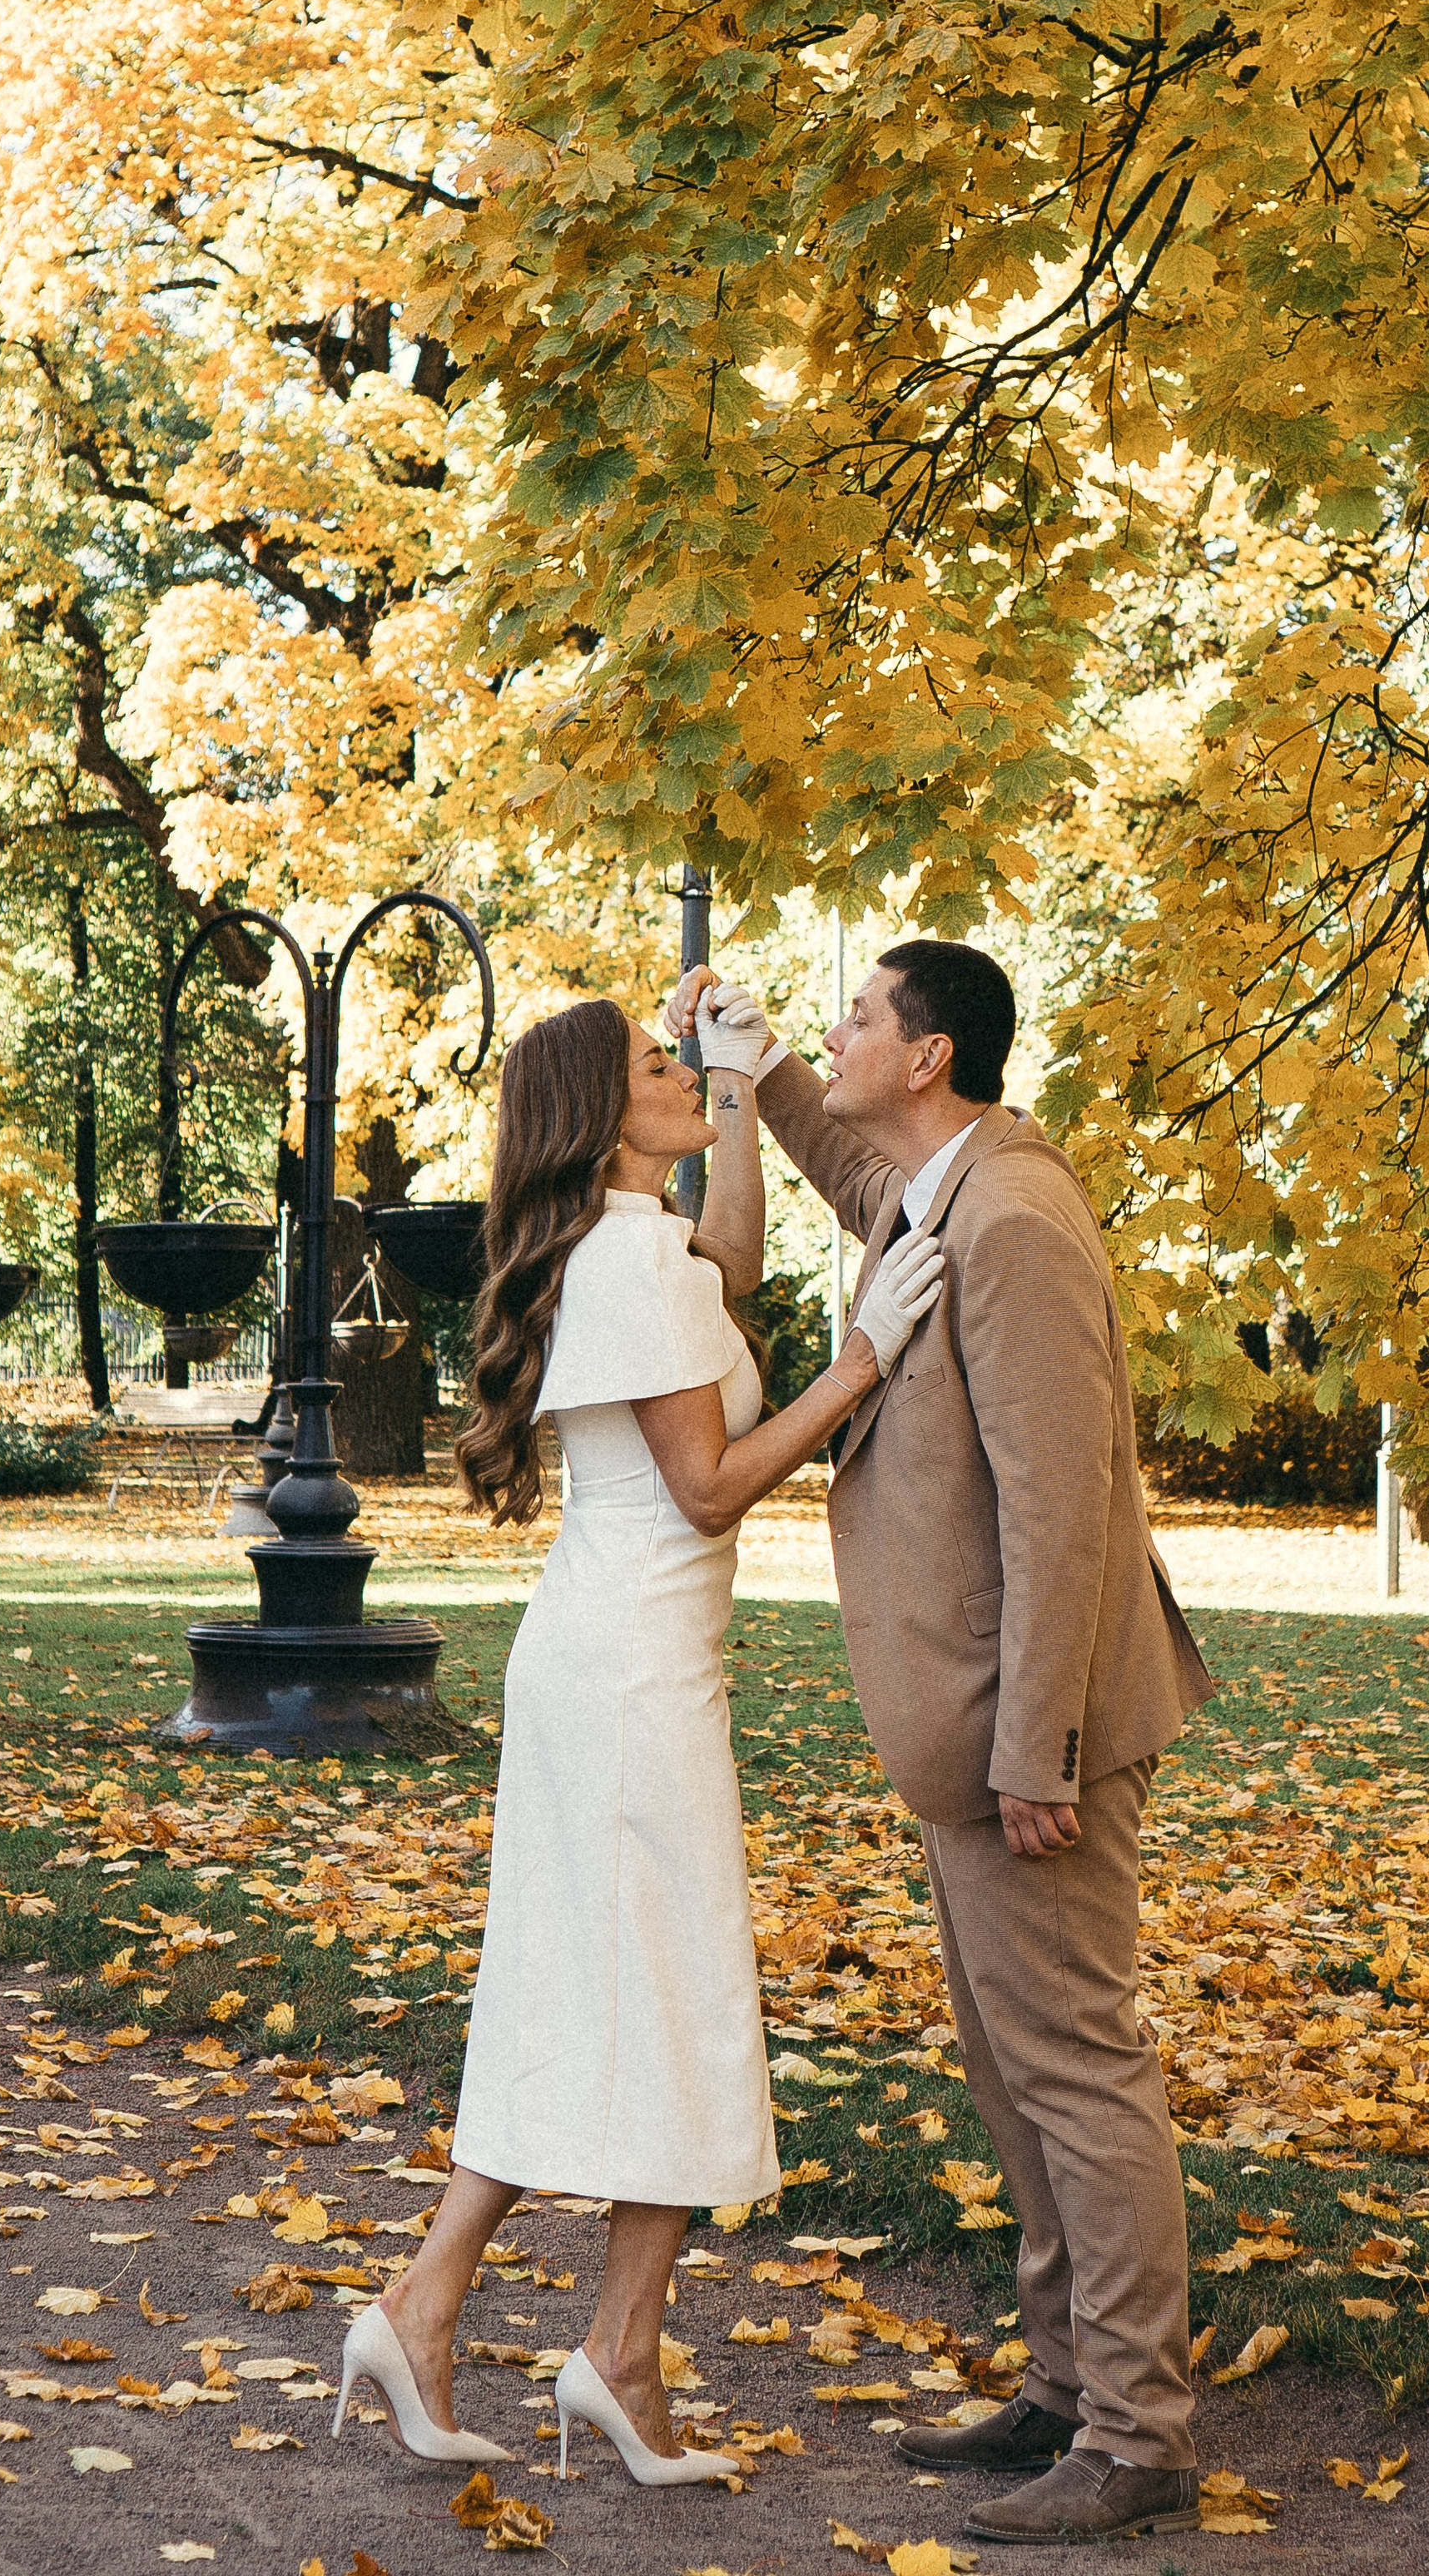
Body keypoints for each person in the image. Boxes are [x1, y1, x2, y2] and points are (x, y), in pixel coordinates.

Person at [333, 995, 943, 2484]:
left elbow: (730, 1262)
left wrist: (737, 1083)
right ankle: (585, 2347)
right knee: (671, 1995)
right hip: (626, 1678)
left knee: (622, 1993)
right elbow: (711, 1485)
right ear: (602, 1121)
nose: (679, 1075)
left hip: (625, 1660)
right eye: (659, 1067)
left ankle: (472, 2319)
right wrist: (864, 1357)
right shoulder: (623, 1264)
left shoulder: (638, 1249)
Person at [669, 940, 1215, 2547]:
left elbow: (1064, 1510)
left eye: (855, 1019)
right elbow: (853, 1173)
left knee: (1076, 2070)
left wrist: (1039, 1744)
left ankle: (1137, 2433)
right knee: (1012, 2064)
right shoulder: (938, 1190)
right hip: (973, 1723)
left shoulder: (1015, 1222)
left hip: (1027, 1735)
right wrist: (760, 1063)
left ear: (929, 1058)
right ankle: (1068, 2384)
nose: (836, 1032)